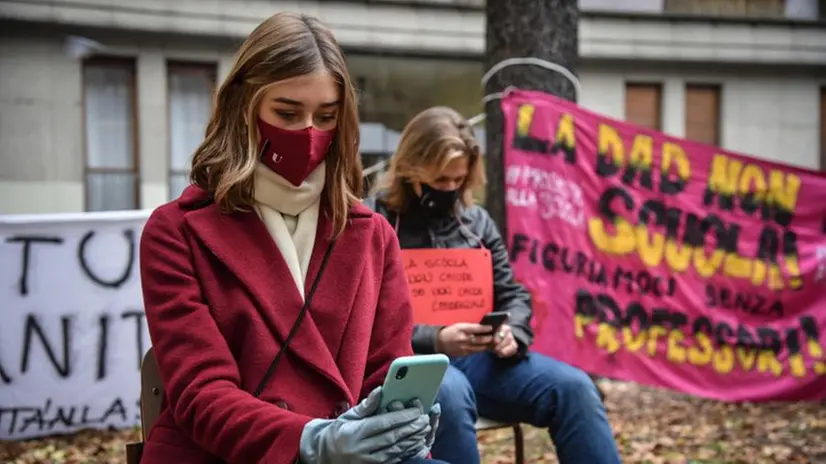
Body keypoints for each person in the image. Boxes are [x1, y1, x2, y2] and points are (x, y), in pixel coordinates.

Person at [139, 13, 445, 464]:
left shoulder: (372, 234)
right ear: (244, 106)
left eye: (326, 116)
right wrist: (313, 442)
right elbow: (201, 393)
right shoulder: (176, 232)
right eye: (287, 112)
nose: (309, 133)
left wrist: (400, 422)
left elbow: (386, 371)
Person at [365, 106, 622, 464]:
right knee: (450, 391)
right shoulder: (374, 223)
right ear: (411, 169)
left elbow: (513, 293)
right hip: (411, 364)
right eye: (441, 181)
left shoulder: (476, 222)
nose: (451, 189)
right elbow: (364, 316)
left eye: (459, 181)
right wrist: (435, 338)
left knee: (575, 388)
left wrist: (512, 332)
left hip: (480, 358)